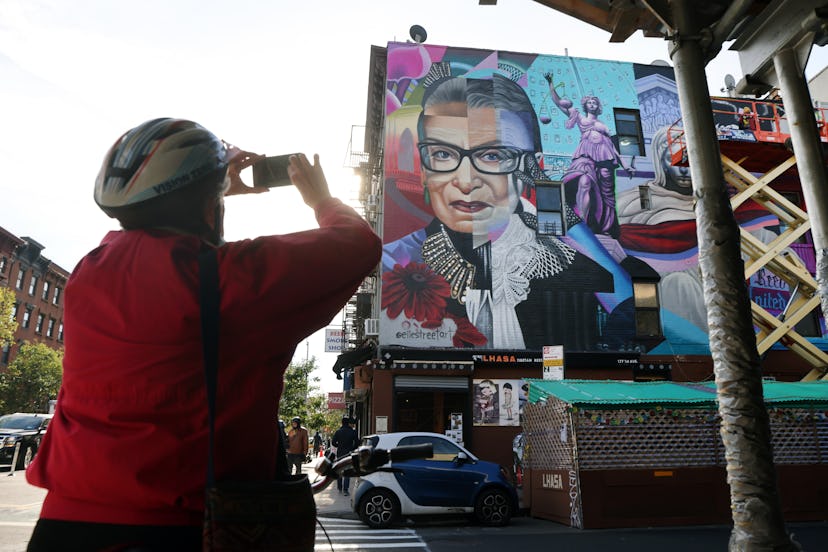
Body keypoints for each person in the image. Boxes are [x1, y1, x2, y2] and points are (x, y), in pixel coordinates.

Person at [25, 118, 382, 551]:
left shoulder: (88, 273)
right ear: (208, 205)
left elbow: (174, 257)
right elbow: (358, 243)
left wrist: (206, 193)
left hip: (64, 524)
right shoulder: (230, 280)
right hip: (186, 527)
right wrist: (321, 199)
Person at [382, 74, 633, 351]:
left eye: (493, 156)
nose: (466, 181)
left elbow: (629, 308)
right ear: (424, 170)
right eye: (443, 154)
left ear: (532, 169)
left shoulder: (558, 256)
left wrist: (554, 202)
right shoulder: (395, 261)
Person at [544, 73, 635, 238]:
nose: (592, 104)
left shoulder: (603, 126)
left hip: (604, 161)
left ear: (598, 107)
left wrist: (626, 166)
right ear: (585, 105)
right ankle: (583, 222)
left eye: (595, 102)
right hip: (585, 157)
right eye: (590, 102)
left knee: (607, 197)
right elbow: (558, 103)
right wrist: (551, 83)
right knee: (584, 182)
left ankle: (604, 226)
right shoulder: (579, 117)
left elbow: (613, 149)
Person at [331, 416, 359, 496]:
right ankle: (345, 490)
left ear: (342, 423)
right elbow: (357, 443)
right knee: (347, 471)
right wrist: (352, 448)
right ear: (348, 423)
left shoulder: (338, 432)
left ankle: (339, 487)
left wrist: (339, 445)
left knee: (339, 469)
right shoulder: (353, 432)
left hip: (340, 453)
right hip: (349, 453)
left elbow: (333, 442)